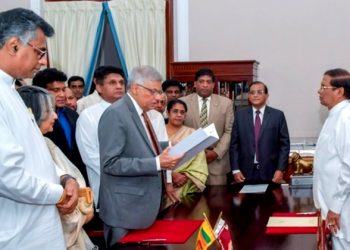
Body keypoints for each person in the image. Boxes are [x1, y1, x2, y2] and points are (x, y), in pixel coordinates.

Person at [0, 8, 78, 249]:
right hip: (20, 233)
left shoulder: (10, 89)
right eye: (40, 51)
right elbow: (6, 175)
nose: (43, 61)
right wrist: (57, 193)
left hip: (37, 226)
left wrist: (64, 178)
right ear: (14, 45)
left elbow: (32, 152)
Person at [98, 65, 183, 247]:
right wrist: (157, 163)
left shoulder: (141, 113)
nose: (159, 97)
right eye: (153, 92)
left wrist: (167, 145)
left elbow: (140, 146)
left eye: (159, 92)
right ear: (135, 88)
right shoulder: (116, 114)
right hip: (124, 211)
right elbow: (111, 163)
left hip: (139, 207)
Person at [18, 85, 96, 250]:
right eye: (48, 111)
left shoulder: (44, 142)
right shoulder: (20, 151)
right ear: (30, 113)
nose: (55, 115)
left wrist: (69, 180)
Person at [76, 66, 126, 208]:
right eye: (112, 83)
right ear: (98, 87)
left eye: (121, 83)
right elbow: (90, 156)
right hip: (106, 184)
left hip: (134, 186)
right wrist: (123, 173)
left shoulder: (131, 113)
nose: (118, 86)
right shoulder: (89, 116)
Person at [32, 68, 89, 185]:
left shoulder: (71, 113)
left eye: (63, 89)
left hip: (78, 175)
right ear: (41, 91)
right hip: (51, 178)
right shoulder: (35, 117)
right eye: (56, 90)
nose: (62, 94)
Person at [313, 68, 350, 249]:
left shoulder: (346, 116)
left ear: (340, 91)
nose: (319, 91)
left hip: (342, 206)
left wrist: (335, 207)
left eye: (323, 86)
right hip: (334, 204)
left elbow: (348, 167)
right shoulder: (334, 115)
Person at [229, 81, 290, 184]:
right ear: (248, 96)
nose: (255, 95)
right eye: (252, 92)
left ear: (267, 95)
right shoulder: (240, 116)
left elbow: (284, 145)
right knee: (247, 200)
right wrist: (235, 169)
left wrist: (280, 169)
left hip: (271, 172)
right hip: (245, 173)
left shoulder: (277, 115)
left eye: (259, 92)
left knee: (270, 200)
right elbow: (234, 145)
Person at [180, 68, 234, 185]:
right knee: (191, 201)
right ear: (195, 84)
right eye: (201, 81)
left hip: (217, 163)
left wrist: (216, 152)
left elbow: (229, 131)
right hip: (190, 163)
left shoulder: (226, 103)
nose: (205, 85)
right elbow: (179, 130)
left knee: (217, 200)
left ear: (213, 84)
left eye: (208, 82)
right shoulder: (182, 102)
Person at [165, 99, 208, 203]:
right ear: (168, 113)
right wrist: (171, 175)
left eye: (182, 112)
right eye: (175, 111)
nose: (179, 115)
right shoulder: (158, 131)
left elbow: (199, 163)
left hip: (185, 184)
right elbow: (153, 159)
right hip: (160, 184)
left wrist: (185, 177)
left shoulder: (192, 134)